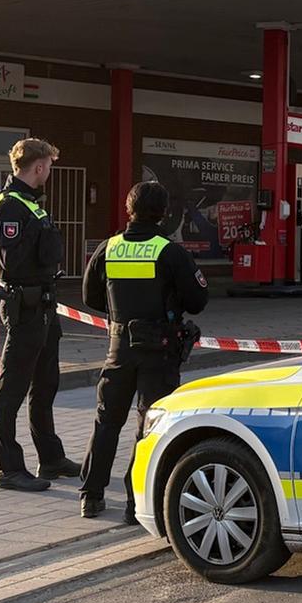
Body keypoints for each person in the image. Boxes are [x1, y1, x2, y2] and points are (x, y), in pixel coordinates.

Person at [78, 181, 210, 520]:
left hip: (119, 346)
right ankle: (135, 502)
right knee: (150, 425)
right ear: (164, 213)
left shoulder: (109, 247)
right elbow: (197, 301)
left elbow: (89, 297)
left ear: (129, 209)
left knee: (107, 421)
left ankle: (91, 496)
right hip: (159, 349)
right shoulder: (170, 252)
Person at [0, 138, 76, 492]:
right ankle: (9, 469)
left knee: (45, 385)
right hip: (24, 306)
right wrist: (40, 235)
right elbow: (12, 260)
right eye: (49, 166)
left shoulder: (30, 203)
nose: (50, 172)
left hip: (42, 305)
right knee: (12, 389)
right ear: (38, 166)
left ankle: (51, 458)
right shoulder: (10, 205)